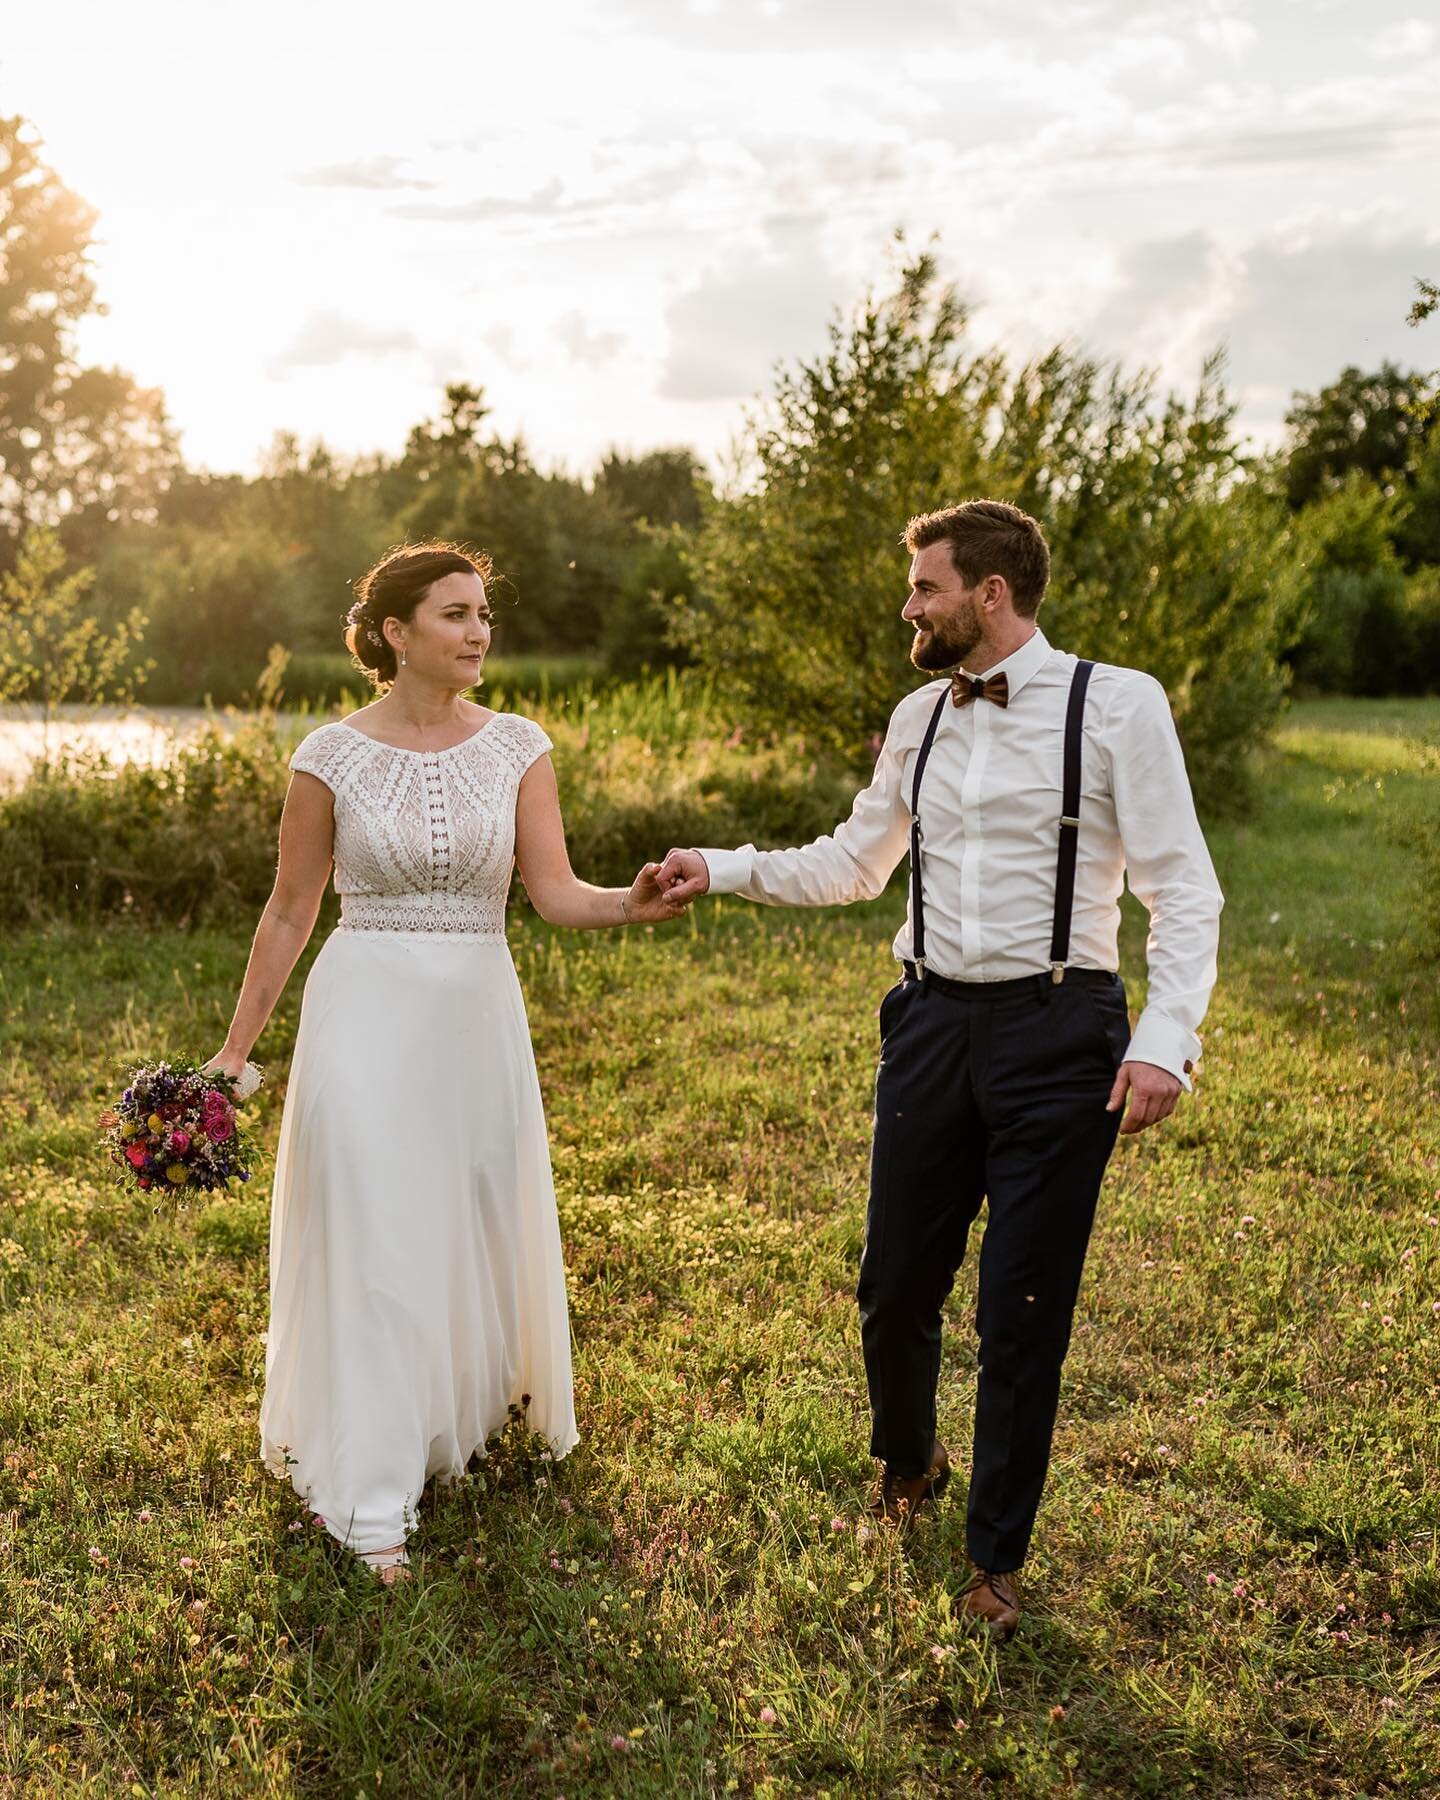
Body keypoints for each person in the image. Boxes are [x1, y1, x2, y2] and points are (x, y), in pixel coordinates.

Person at [658, 499, 1223, 1639]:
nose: (909, 606)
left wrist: (1166, 1039)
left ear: (990, 595)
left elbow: (1183, 886)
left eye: (925, 587)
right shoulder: (921, 713)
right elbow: (853, 863)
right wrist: (715, 867)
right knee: (894, 1283)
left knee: (1022, 1308)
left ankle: (996, 1559)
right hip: (926, 1023)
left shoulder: (1118, 705)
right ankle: (906, 1465)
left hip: (1062, 1036)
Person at [204, 541, 687, 1585]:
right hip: (361, 1008)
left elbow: (555, 894)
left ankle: (461, 1421)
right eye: (454, 614)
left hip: (476, 1011)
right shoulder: (327, 755)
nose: (477, 633)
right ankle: (373, 1502)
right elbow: (290, 910)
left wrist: (629, 904)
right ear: (394, 632)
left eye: (482, 616)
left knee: (465, 1214)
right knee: (376, 1224)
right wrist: (235, 1053)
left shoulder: (517, 745)